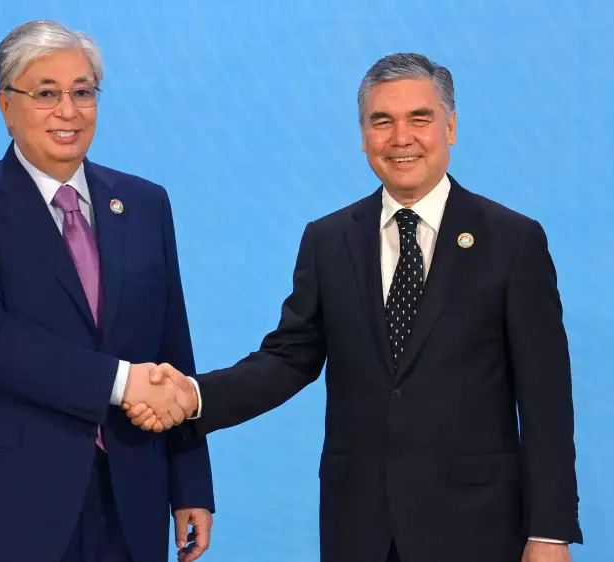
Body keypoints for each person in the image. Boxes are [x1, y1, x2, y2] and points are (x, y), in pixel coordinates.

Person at [125, 53, 583, 562]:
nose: (401, 138)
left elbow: (545, 400)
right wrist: (193, 396)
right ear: (363, 134)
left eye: (420, 119)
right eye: (382, 121)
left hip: (477, 527)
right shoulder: (328, 240)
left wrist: (550, 532)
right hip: (360, 529)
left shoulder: (512, 241)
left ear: (450, 127)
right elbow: (288, 359)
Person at [0, 20, 213, 562]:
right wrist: (121, 382)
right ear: (6, 105)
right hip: (11, 497)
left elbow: (173, 345)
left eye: (83, 92)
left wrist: (190, 481)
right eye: (46, 94)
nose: (68, 111)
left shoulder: (144, 203)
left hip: (131, 491)